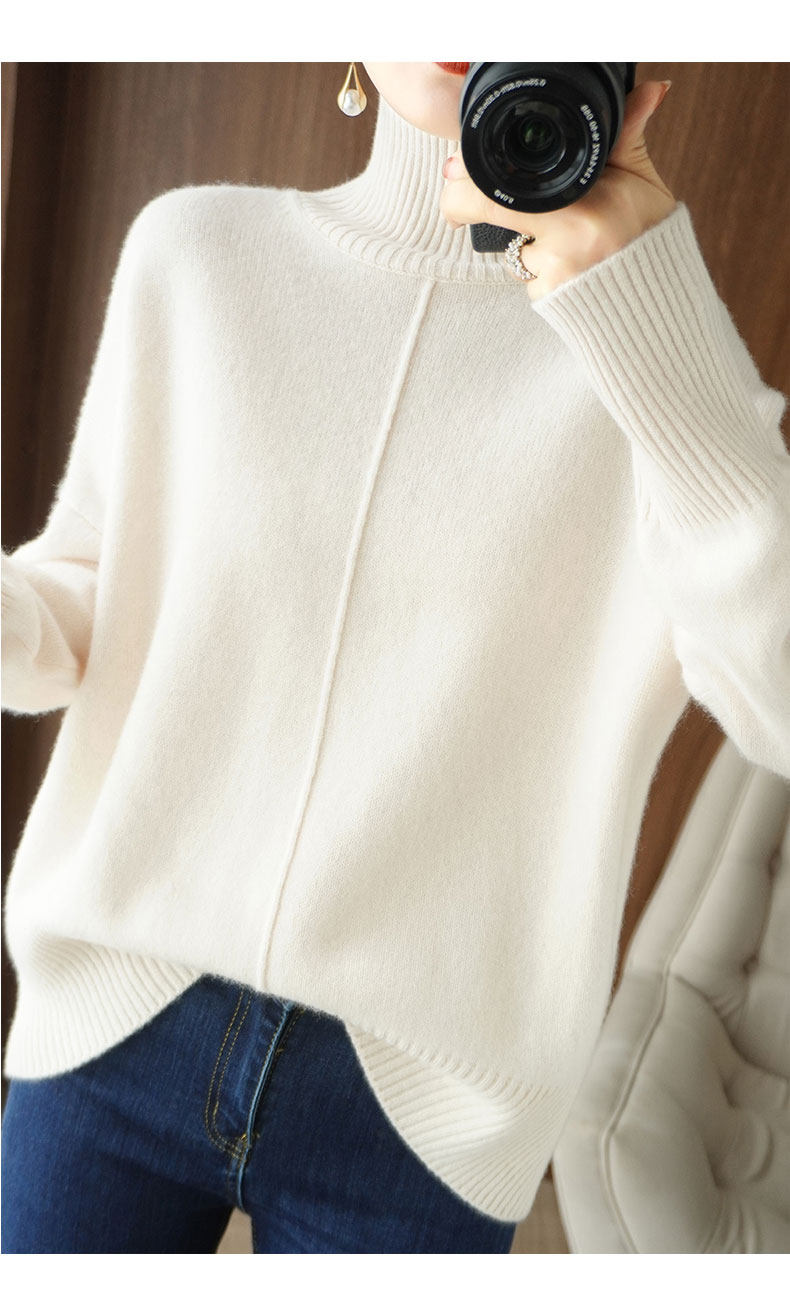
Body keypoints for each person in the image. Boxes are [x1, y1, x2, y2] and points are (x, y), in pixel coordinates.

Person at [1, 61, 788, 1254]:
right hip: (110, 1027)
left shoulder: (662, 373)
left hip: (429, 1118)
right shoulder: (194, 259)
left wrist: (655, 323)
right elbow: (80, 606)